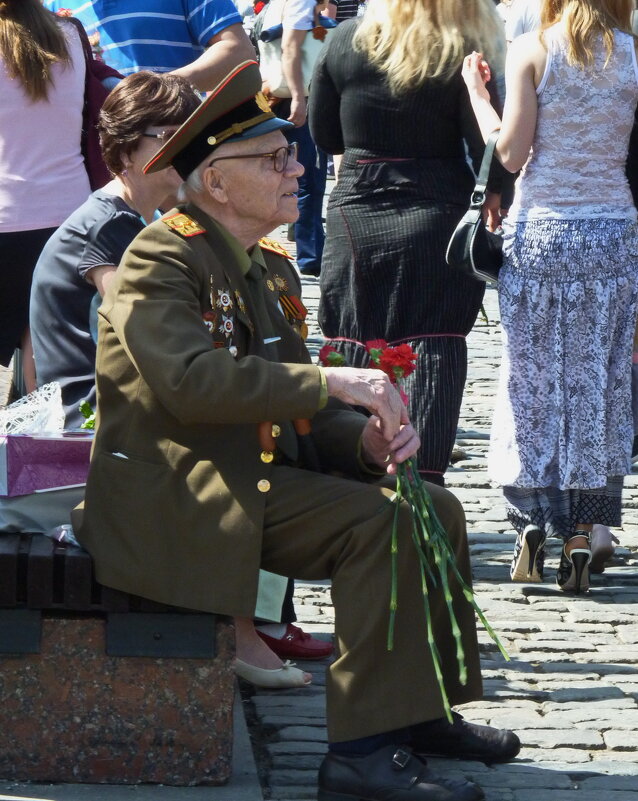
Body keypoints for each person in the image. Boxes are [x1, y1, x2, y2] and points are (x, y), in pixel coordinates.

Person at [74, 59, 520, 801]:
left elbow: (297, 411)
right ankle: (360, 754)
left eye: (291, 153)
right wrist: (336, 379)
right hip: (181, 495)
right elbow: (191, 385)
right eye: (274, 158)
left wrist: (363, 442)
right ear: (215, 181)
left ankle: (417, 709)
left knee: (430, 504)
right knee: (376, 525)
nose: (298, 168)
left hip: (244, 479)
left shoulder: (263, 269)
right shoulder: (162, 257)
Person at [462, 0, 638, 593]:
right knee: (598, 383)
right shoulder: (632, 55)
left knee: (531, 380)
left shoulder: (532, 49)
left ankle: (532, 520)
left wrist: (479, 100)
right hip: (613, 232)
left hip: (542, 231)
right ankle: (584, 531)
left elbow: (510, 155)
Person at [308, 0, 508, 485]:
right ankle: (421, 491)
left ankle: (349, 480)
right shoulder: (460, 49)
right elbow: (491, 153)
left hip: (357, 208)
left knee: (351, 338)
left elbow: (325, 135)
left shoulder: (344, 40)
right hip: (436, 212)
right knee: (434, 348)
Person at [29, 71, 201, 429]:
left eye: (191, 137)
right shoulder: (109, 225)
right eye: (169, 137)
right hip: (92, 418)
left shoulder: (140, 216)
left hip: (115, 403)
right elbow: (145, 328)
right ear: (125, 150)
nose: (185, 151)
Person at [0, 0, 91, 394]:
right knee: (45, 353)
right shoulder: (71, 34)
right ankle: (42, 446)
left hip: (6, 215)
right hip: (69, 215)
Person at [43, 0, 256, 91]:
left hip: (177, 142)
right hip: (101, 158)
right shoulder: (49, 7)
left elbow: (239, 53)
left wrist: (153, 92)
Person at [260, 0, 330, 276]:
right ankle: (311, 255)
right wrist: (300, 98)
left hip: (273, 94)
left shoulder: (276, 4)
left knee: (283, 172)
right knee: (308, 178)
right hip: (295, 97)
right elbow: (291, 46)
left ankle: (310, 247)